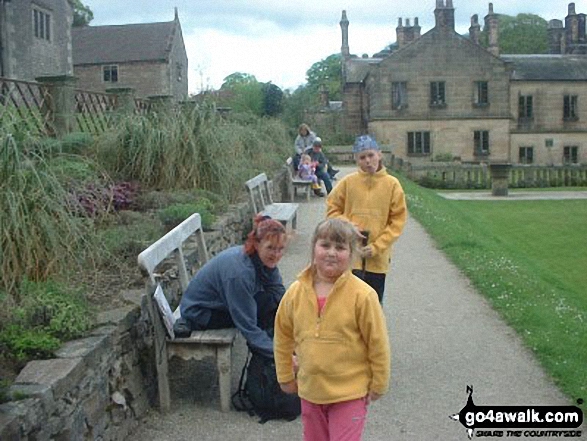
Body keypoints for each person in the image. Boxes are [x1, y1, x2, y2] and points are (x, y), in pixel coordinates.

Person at [274, 218, 390, 441]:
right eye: (325, 245)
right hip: (311, 391)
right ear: (314, 247)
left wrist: (379, 382)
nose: (331, 253)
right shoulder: (295, 293)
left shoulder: (363, 296)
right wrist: (285, 375)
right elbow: (282, 336)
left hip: (350, 392)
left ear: (352, 253)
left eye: (340, 247)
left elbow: (378, 343)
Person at [173, 215, 287, 358]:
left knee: (273, 304)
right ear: (257, 244)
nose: (276, 255)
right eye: (270, 248)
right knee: (264, 315)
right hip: (201, 311)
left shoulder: (262, 258)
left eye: (280, 249)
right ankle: (265, 366)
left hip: (223, 300)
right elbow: (248, 325)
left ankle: (273, 353)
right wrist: (281, 356)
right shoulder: (240, 273)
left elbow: (279, 294)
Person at [326, 134, 407, 302]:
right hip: (351, 256)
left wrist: (378, 246)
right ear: (356, 159)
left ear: (379, 154)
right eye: (362, 157)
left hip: (377, 258)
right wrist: (348, 227)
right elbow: (332, 210)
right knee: (349, 302)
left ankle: (373, 329)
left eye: (371, 155)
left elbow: (397, 221)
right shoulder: (348, 183)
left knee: (373, 302)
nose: (367, 161)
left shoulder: (392, 185)